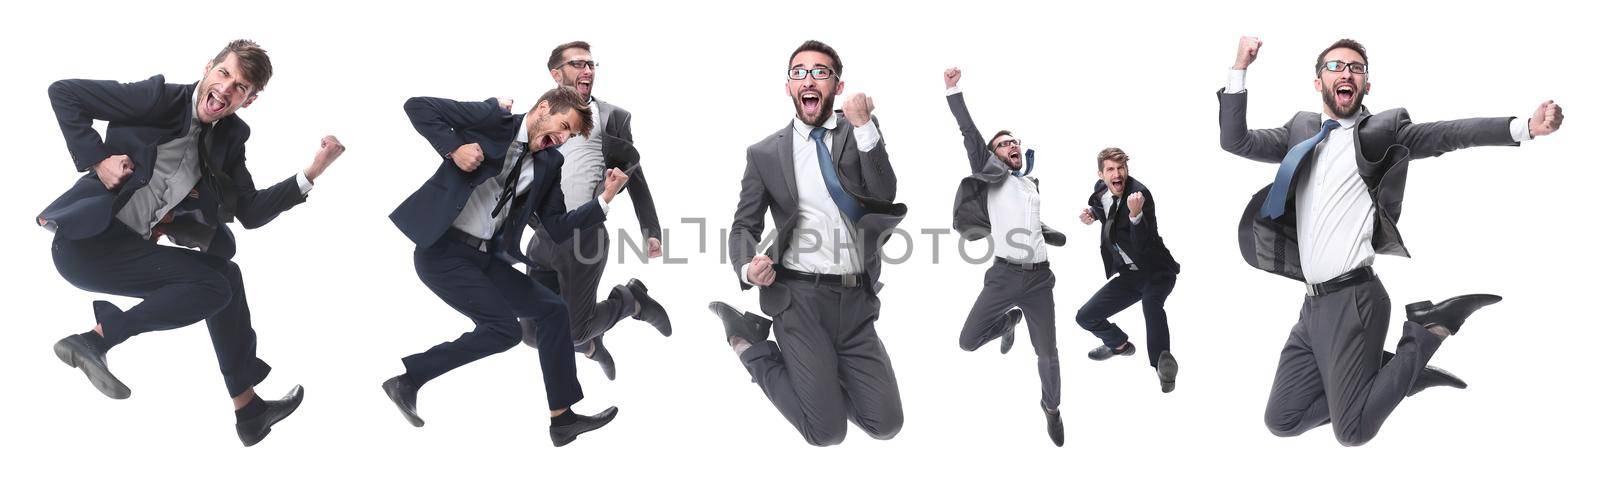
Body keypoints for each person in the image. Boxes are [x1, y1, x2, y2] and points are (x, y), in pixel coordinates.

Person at [1220, 36, 1563, 446]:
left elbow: (1449, 134)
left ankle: (1430, 330)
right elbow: (1235, 140)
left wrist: (1524, 127)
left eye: (1356, 68)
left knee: (1353, 432)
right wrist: (1239, 67)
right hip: (1313, 307)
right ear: (1318, 82)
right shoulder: (1300, 131)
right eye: (1335, 66)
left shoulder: (1383, 132)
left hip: (1354, 300)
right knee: (1282, 419)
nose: (1346, 73)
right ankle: (1400, 375)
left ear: (1366, 84)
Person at [41, 39, 345, 447]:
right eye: (224, 74)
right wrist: (98, 158)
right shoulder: (156, 99)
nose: (225, 89)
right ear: (208, 68)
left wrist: (312, 173)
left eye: (240, 88)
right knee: (213, 285)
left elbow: (250, 212)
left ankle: (248, 409)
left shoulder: (231, 137)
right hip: (84, 242)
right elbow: (65, 93)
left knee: (225, 276)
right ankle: (95, 339)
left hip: (127, 249)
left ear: (249, 100)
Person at [383, 86, 625, 447]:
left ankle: (562, 418)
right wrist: (454, 147)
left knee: (553, 310)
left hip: (484, 258)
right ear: (543, 108)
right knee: (505, 331)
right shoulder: (493, 121)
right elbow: (416, 106)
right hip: (442, 252)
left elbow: (555, 225)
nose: (560, 139)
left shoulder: (549, 163)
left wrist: (603, 201)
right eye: (562, 127)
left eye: (568, 136)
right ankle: (410, 379)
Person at [709, 40, 906, 447]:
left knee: (886, 424)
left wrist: (865, 125)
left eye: (820, 72)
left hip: (855, 302)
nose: (809, 79)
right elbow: (743, 226)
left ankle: (822, 374)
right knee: (826, 433)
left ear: (837, 84)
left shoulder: (860, 130)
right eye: (799, 72)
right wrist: (748, 267)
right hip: (798, 300)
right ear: (788, 87)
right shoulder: (764, 153)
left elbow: (884, 195)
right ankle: (748, 343)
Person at [943, 67, 1068, 446]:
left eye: (1015, 142)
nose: (1012, 146)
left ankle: (1051, 409)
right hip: (1004, 276)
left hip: (1040, 279)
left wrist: (1048, 231)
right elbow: (969, 133)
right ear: (993, 155)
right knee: (967, 340)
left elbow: (1026, 221)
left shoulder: (1029, 184)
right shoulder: (990, 171)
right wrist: (954, 91)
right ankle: (1009, 320)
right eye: (1004, 143)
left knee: (1047, 354)